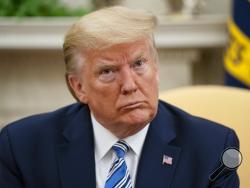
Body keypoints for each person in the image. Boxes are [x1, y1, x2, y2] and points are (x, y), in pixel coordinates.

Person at [0, 6, 239, 188]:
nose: (129, 85)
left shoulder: (212, 149)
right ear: (79, 87)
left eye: (138, 64)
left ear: (155, 68)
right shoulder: (22, 147)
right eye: (108, 71)